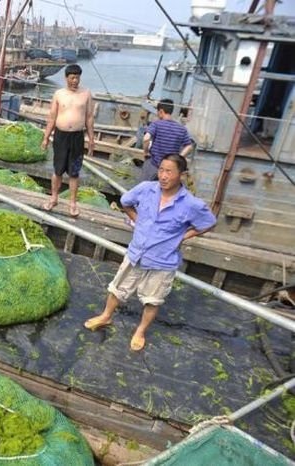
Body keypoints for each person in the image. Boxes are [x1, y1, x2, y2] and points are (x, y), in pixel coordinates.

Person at [83, 154, 216, 351]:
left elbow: (208, 223)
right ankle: (106, 316)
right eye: (161, 170)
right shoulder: (146, 189)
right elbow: (125, 202)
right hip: (136, 252)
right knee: (117, 287)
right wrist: (137, 220)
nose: (163, 176)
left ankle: (140, 331)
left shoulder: (190, 204)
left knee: (152, 299)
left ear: (182, 174)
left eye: (169, 171)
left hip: (162, 260)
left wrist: (184, 236)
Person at [41, 64, 94, 217]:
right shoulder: (59, 94)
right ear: (66, 78)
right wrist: (46, 137)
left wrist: (91, 139)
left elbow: (89, 118)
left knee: (74, 172)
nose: (75, 81)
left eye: (77, 77)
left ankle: (72, 203)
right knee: (57, 170)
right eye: (72, 78)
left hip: (77, 137)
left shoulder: (86, 93)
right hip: (60, 136)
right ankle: (54, 198)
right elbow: (52, 116)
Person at [141, 99, 193, 182]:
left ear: (161, 111)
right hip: (169, 168)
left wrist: (145, 152)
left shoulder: (156, 124)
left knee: (144, 189)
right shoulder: (181, 128)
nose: (157, 114)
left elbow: (146, 138)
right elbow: (189, 146)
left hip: (154, 165)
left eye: (157, 112)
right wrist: (179, 158)